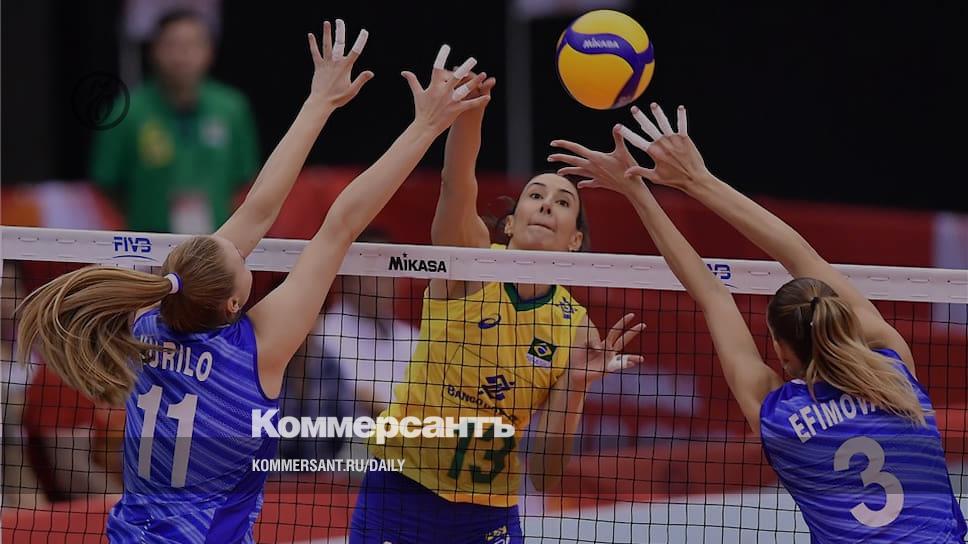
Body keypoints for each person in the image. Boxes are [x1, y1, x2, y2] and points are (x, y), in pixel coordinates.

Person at [18, 20, 489, 541]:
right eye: (241, 258)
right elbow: (339, 224)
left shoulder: (151, 322)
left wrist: (320, 101)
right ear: (233, 302)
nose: (245, 247)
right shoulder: (250, 352)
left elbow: (261, 209)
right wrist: (425, 125)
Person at [548, 103, 967, 542]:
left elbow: (711, 294)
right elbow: (800, 253)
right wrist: (698, 179)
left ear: (781, 351)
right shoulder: (894, 371)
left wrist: (637, 192)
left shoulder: (780, 417)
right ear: (841, 321)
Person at [351, 74, 646, 543]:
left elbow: (545, 475)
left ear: (575, 242)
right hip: (400, 493)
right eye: (536, 195)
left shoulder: (576, 329)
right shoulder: (469, 264)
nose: (546, 205)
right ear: (509, 224)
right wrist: (471, 112)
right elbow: (456, 185)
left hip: (487, 515)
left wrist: (575, 385)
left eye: (563, 202)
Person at [91, 8, 260, 234]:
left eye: (192, 45)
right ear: (153, 51)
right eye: (172, 45)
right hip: (149, 243)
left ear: (210, 51)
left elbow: (246, 182)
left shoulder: (233, 108)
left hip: (218, 242)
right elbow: (107, 185)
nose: (182, 55)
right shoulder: (125, 111)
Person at [281, 228, 418, 461]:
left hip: (409, 451)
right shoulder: (323, 333)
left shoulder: (414, 338)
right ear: (347, 277)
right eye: (374, 273)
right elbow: (358, 397)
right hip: (345, 456)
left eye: (391, 272)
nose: (385, 282)